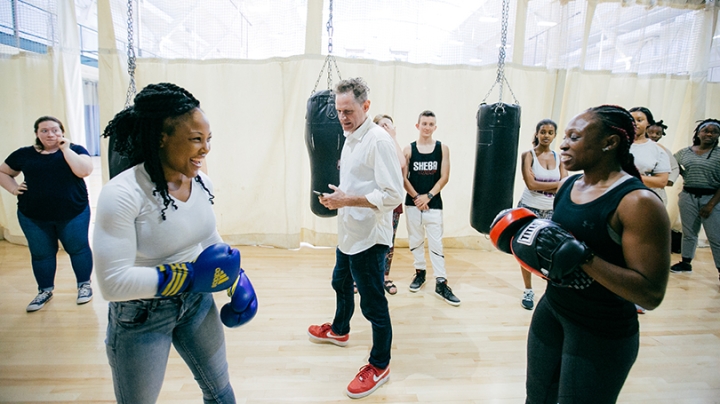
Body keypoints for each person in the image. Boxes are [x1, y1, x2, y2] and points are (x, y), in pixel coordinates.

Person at [94, 83, 257, 404]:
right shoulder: (123, 194)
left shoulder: (201, 183)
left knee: (220, 391)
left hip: (196, 304)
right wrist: (189, 276)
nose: (206, 149)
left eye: (208, 140)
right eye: (196, 139)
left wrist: (236, 278)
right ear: (160, 138)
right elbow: (113, 283)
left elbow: (208, 238)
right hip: (141, 315)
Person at [524, 105, 670, 403]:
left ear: (610, 142)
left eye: (574, 136)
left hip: (601, 330)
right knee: (537, 399)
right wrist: (527, 245)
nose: (563, 143)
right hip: (552, 311)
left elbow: (651, 294)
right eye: (564, 135)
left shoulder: (638, 202)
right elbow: (559, 256)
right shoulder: (567, 186)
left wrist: (585, 258)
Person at [307, 78, 403, 399]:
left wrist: (347, 201)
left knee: (374, 305)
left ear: (366, 106)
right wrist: (338, 197)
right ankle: (340, 330)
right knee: (340, 283)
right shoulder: (350, 138)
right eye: (338, 111)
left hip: (369, 239)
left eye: (348, 110)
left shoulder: (378, 141)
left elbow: (392, 195)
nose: (343, 117)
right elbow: (356, 184)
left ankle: (380, 364)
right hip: (348, 231)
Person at [0, 116, 94, 312]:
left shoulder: (75, 150)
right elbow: (3, 172)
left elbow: (84, 171)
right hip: (33, 215)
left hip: (73, 212)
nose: (50, 134)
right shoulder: (24, 154)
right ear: (36, 133)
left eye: (55, 130)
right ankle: (45, 291)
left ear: (62, 132)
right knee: (41, 254)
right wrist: (13, 188)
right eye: (44, 130)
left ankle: (84, 285)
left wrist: (65, 149)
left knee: (78, 249)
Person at [403, 110, 460, 306]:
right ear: (417, 126)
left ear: (435, 127)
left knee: (436, 244)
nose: (427, 127)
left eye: (431, 124)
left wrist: (427, 196)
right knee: (416, 241)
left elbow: (444, 177)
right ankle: (420, 273)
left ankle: (441, 282)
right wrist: (417, 197)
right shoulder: (408, 150)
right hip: (413, 204)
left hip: (433, 203)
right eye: (424, 123)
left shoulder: (442, 148)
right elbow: (403, 178)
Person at [516, 119, 567, 310]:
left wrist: (545, 185)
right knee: (525, 249)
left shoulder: (560, 157)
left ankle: (550, 291)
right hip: (529, 208)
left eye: (550, 132)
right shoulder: (528, 155)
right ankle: (528, 289)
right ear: (537, 133)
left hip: (552, 210)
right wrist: (556, 185)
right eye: (543, 131)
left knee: (551, 251)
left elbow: (566, 184)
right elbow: (531, 185)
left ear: (554, 135)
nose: (546, 135)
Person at [670, 119, 720, 280]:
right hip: (688, 196)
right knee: (689, 232)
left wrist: (711, 204)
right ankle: (685, 262)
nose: (709, 134)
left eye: (714, 131)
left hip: (712, 198)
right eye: (706, 130)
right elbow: (671, 166)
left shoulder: (719, 154)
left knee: (715, 236)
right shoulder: (684, 153)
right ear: (698, 132)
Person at [373, 114, 407, 295]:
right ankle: (359, 277)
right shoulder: (373, 144)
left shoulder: (393, 144)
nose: (387, 128)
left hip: (392, 202)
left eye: (390, 125)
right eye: (383, 125)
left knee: (388, 242)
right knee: (368, 240)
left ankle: (384, 277)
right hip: (374, 200)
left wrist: (392, 137)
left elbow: (401, 163)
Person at [629, 107, 672, 205]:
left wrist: (627, 178)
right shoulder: (616, 144)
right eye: (631, 120)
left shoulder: (657, 149)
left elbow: (661, 181)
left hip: (647, 199)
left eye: (639, 120)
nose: (635, 123)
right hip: (619, 197)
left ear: (648, 123)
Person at [646, 120, 680, 187]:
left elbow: (675, 167)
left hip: (656, 188)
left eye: (658, 133)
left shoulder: (663, 150)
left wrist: (669, 180)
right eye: (650, 132)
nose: (654, 135)